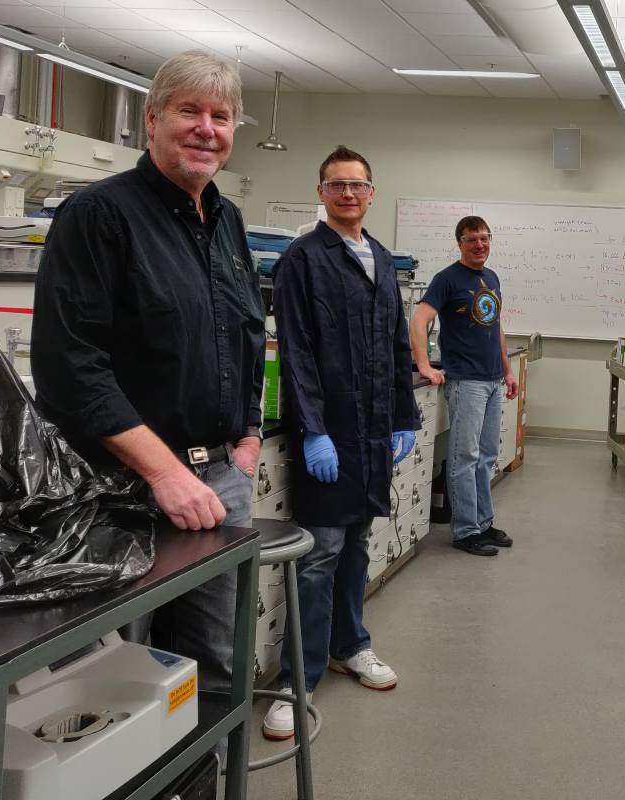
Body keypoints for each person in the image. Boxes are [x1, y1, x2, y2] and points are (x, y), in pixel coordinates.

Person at [31, 52, 263, 698]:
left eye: (220, 116)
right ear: (153, 119)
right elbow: (68, 367)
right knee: (109, 678)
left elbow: (245, 334)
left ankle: (202, 782)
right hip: (120, 492)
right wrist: (164, 471)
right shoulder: (98, 215)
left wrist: (248, 435)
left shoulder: (227, 221)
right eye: (190, 111)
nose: (206, 128)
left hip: (220, 484)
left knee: (213, 664)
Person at [263, 146, 419, 739]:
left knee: (356, 546)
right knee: (319, 557)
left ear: (372, 192)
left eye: (357, 185)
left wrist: (404, 415)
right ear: (321, 192)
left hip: (374, 434)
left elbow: (398, 347)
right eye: (336, 185)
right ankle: (293, 682)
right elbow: (297, 352)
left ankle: (350, 645)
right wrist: (313, 431)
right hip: (330, 435)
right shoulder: (302, 260)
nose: (348, 194)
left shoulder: (380, 258)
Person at [410, 217, 519, 556]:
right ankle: (465, 530)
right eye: (472, 239)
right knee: (464, 457)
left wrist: (508, 370)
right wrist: (425, 365)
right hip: (466, 381)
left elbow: (497, 327)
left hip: (492, 380)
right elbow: (419, 320)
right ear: (460, 242)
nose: (479, 245)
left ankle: (484, 522)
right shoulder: (446, 279)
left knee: (487, 456)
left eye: (485, 238)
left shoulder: (492, 277)